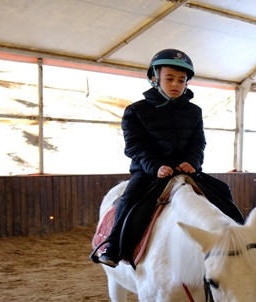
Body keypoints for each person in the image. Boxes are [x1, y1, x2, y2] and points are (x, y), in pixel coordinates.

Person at [97, 48, 243, 267]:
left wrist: (193, 162)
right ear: (155, 78)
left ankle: (240, 238)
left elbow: (198, 142)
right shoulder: (135, 110)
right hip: (149, 173)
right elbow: (135, 146)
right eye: (170, 79)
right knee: (129, 199)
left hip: (185, 170)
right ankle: (114, 247)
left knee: (223, 190)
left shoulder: (194, 111)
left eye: (181, 80)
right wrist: (155, 166)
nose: (176, 84)